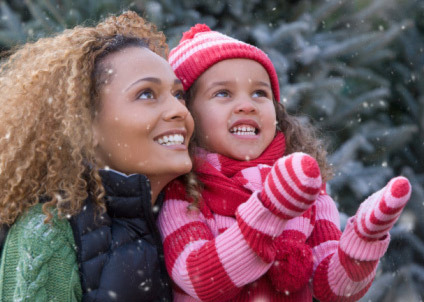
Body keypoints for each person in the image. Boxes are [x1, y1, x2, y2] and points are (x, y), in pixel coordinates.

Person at [157, 24, 412, 302]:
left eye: (260, 93)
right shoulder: (184, 187)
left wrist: (362, 243)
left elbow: (333, 289)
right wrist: (270, 210)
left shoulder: (307, 188)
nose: (247, 105)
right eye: (223, 93)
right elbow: (197, 278)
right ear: (189, 113)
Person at [0, 11, 194, 302]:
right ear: (84, 126)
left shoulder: (197, 214)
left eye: (178, 94)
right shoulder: (48, 233)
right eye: (146, 94)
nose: (179, 110)